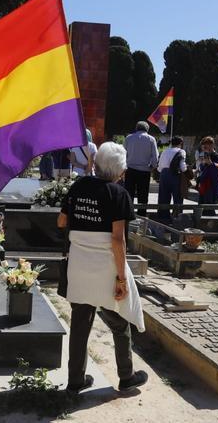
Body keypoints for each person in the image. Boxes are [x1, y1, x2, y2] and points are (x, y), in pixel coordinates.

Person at [57, 142, 148, 395]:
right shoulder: (118, 194)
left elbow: (61, 220)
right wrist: (121, 278)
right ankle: (126, 376)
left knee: (80, 323)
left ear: (96, 165)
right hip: (105, 268)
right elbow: (117, 240)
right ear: (120, 171)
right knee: (119, 323)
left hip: (79, 265)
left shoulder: (77, 186)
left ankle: (75, 380)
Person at [123, 121, 159, 218]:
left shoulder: (129, 138)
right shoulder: (151, 139)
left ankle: (128, 214)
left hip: (130, 169)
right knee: (143, 195)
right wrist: (153, 166)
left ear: (136, 128)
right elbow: (155, 156)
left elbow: (123, 153)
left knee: (129, 193)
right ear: (147, 129)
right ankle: (141, 216)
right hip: (144, 171)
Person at [157, 136, 186, 220]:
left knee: (163, 197)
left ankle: (163, 217)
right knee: (177, 197)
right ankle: (177, 217)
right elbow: (183, 167)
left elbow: (159, 167)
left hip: (164, 174)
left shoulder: (165, 151)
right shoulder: (181, 151)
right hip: (175, 175)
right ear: (180, 143)